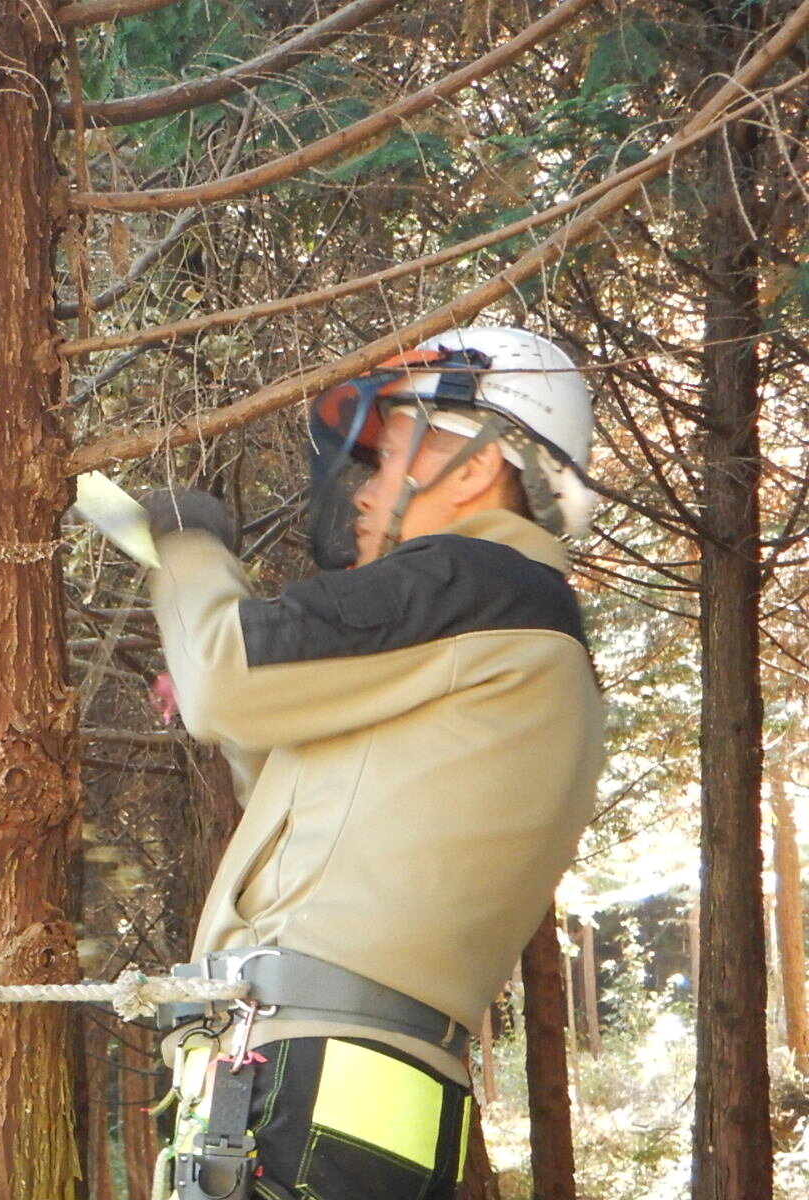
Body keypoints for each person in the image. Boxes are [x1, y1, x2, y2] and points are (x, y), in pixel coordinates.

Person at [142, 326, 606, 1200]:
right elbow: (309, 800)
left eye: (389, 458)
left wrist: (184, 541)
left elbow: (223, 675)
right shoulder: (524, 636)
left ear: (474, 468)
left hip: (306, 1080)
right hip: (341, 1091)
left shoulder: (474, 581)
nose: (363, 493)